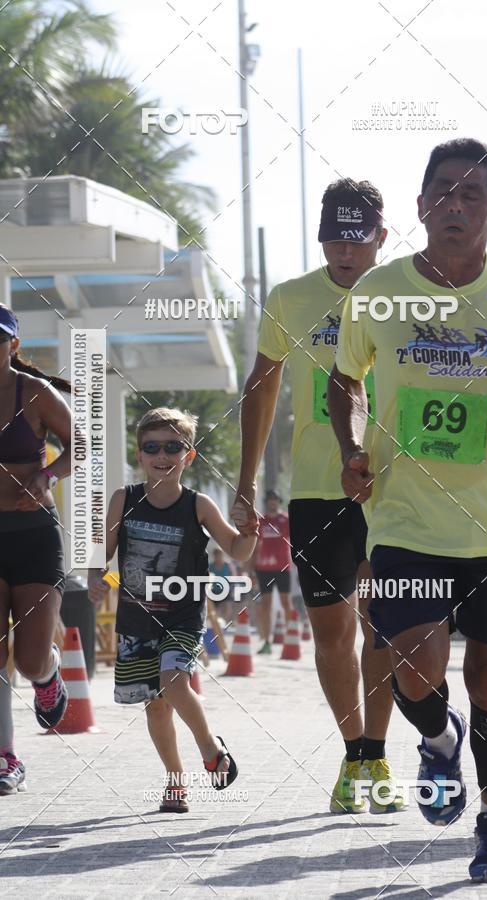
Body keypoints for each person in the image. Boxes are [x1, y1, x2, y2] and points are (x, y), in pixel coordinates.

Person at [328, 138, 487, 880]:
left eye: (473, 194)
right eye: (443, 191)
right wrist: (352, 447)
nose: (455, 204)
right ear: (420, 206)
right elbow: (344, 380)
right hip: (407, 517)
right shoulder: (379, 293)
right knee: (414, 662)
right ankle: (440, 741)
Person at [231, 178, 404, 815]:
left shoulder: (410, 295)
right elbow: (261, 387)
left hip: (393, 487)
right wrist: (246, 482)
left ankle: (377, 753)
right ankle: (354, 754)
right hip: (315, 489)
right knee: (332, 633)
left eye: (357, 240)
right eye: (334, 239)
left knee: (385, 624)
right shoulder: (291, 297)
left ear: (381, 238)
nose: (345, 252)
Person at [88, 407, 256, 812]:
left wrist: (250, 530)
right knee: (157, 706)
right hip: (137, 619)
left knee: (174, 682)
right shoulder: (124, 499)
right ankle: (175, 781)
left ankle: (211, 749)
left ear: (189, 455)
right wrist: (96, 577)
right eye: (151, 448)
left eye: (172, 447)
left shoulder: (198, 505)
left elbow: (238, 550)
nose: (162, 455)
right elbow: (102, 552)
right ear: (139, 454)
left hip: (183, 615)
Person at [0, 304, 71, 795]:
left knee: (28, 659)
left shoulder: (35, 393)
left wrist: (47, 475)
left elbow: (81, 443)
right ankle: (6, 757)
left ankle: (48, 675)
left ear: (13, 345)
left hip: (34, 534)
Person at [251, 489, 292, 654]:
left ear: (279, 502)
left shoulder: (286, 520)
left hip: (282, 567)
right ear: (266, 502)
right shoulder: (261, 521)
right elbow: (255, 547)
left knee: (286, 603)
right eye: (270, 499)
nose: (272, 502)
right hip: (264, 569)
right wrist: (251, 570)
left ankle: (290, 637)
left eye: (275, 499)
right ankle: (266, 641)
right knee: (265, 605)